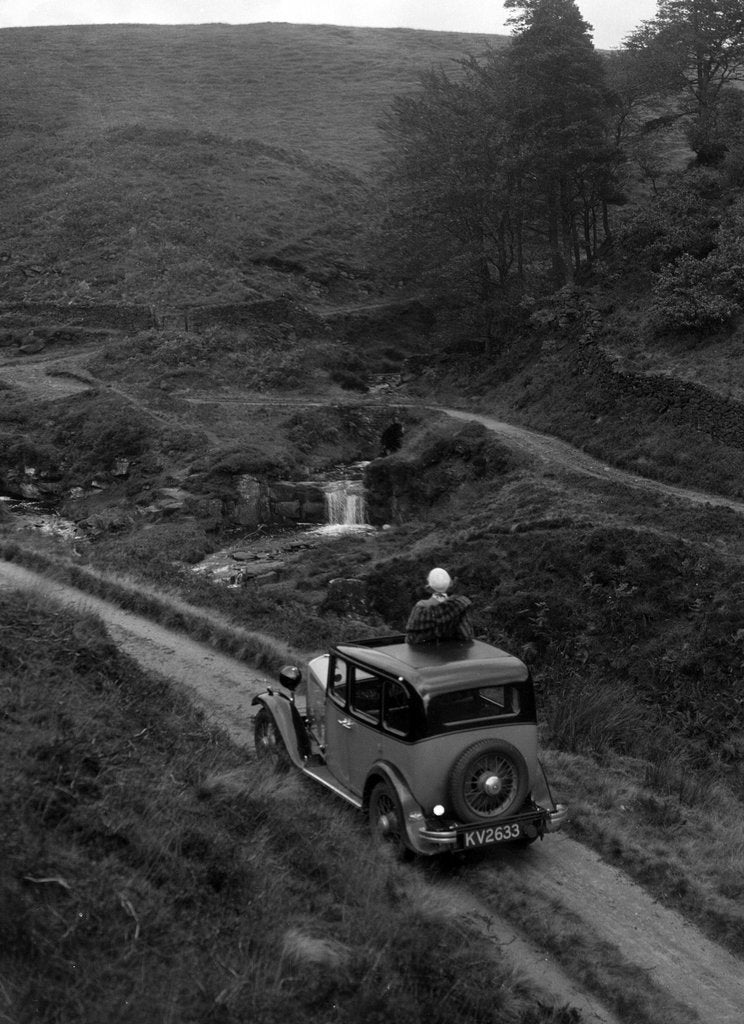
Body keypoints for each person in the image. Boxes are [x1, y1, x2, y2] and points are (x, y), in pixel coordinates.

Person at [405, 567, 474, 645]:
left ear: (429, 588)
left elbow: (411, 639)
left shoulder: (420, 609)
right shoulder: (459, 605)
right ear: (450, 585)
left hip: (424, 654)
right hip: (452, 654)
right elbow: (466, 635)